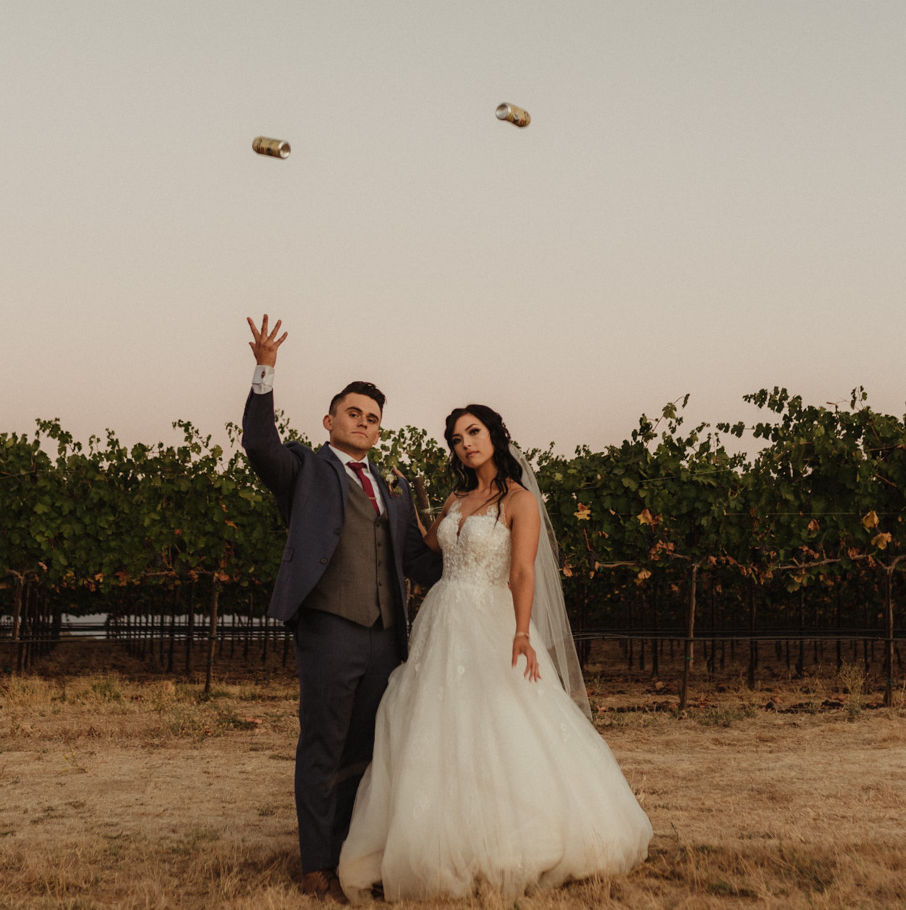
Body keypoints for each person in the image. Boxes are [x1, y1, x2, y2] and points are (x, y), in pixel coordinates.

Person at [337, 404, 653, 901]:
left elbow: (522, 572)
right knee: (432, 721)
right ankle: (427, 836)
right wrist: (400, 499)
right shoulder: (456, 497)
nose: (466, 443)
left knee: (498, 719)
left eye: (474, 432)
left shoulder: (519, 501)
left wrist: (522, 634)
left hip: (490, 617)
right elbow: (426, 544)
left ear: (495, 435)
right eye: (457, 438)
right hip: (443, 618)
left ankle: (510, 839)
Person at [240, 315, 444, 905]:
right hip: (330, 627)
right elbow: (258, 444)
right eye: (353, 413)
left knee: (368, 748)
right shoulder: (306, 469)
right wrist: (264, 369)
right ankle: (315, 864)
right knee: (322, 744)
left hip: (386, 636)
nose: (363, 422)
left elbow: (417, 563)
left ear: (380, 432)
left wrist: (469, 536)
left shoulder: (394, 486)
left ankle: (353, 856)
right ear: (329, 421)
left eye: (373, 417)